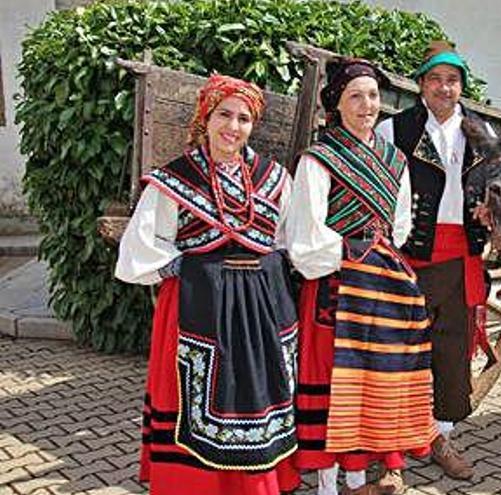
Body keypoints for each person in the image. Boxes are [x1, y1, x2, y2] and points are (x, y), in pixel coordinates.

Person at [115, 73, 301, 495]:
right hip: (197, 306)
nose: (233, 127)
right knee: (194, 400)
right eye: (224, 115)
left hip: (259, 309)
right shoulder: (175, 180)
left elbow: (290, 239)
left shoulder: (274, 178)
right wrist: (175, 267)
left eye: (244, 119)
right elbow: (141, 245)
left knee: (257, 393)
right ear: (206, 117)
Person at [287, 58, 436, 495]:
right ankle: (327, 484)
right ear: (337, 103)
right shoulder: (319, 159)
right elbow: (307, 232)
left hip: (380, 288)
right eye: (355, 96)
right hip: (334, 287)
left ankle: (358, 478)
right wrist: (353, 252)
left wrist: (377, 252)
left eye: (372, 95)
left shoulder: (395, 161)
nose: (367, 104)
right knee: (333, 384)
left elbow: (401, 226)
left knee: (370, 378)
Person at [375, 41, 493, 481]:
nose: (445, 88)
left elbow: (497, 189)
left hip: (463, 252)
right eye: (436, 79)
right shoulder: (394, 130)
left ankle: (440, 438)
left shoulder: (483, 134)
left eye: (453, 80)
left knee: (450, 349)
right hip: (411, 254)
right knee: (399, 351)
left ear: (461, 86)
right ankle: (391, 456)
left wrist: (489, 211)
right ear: (421, 85)